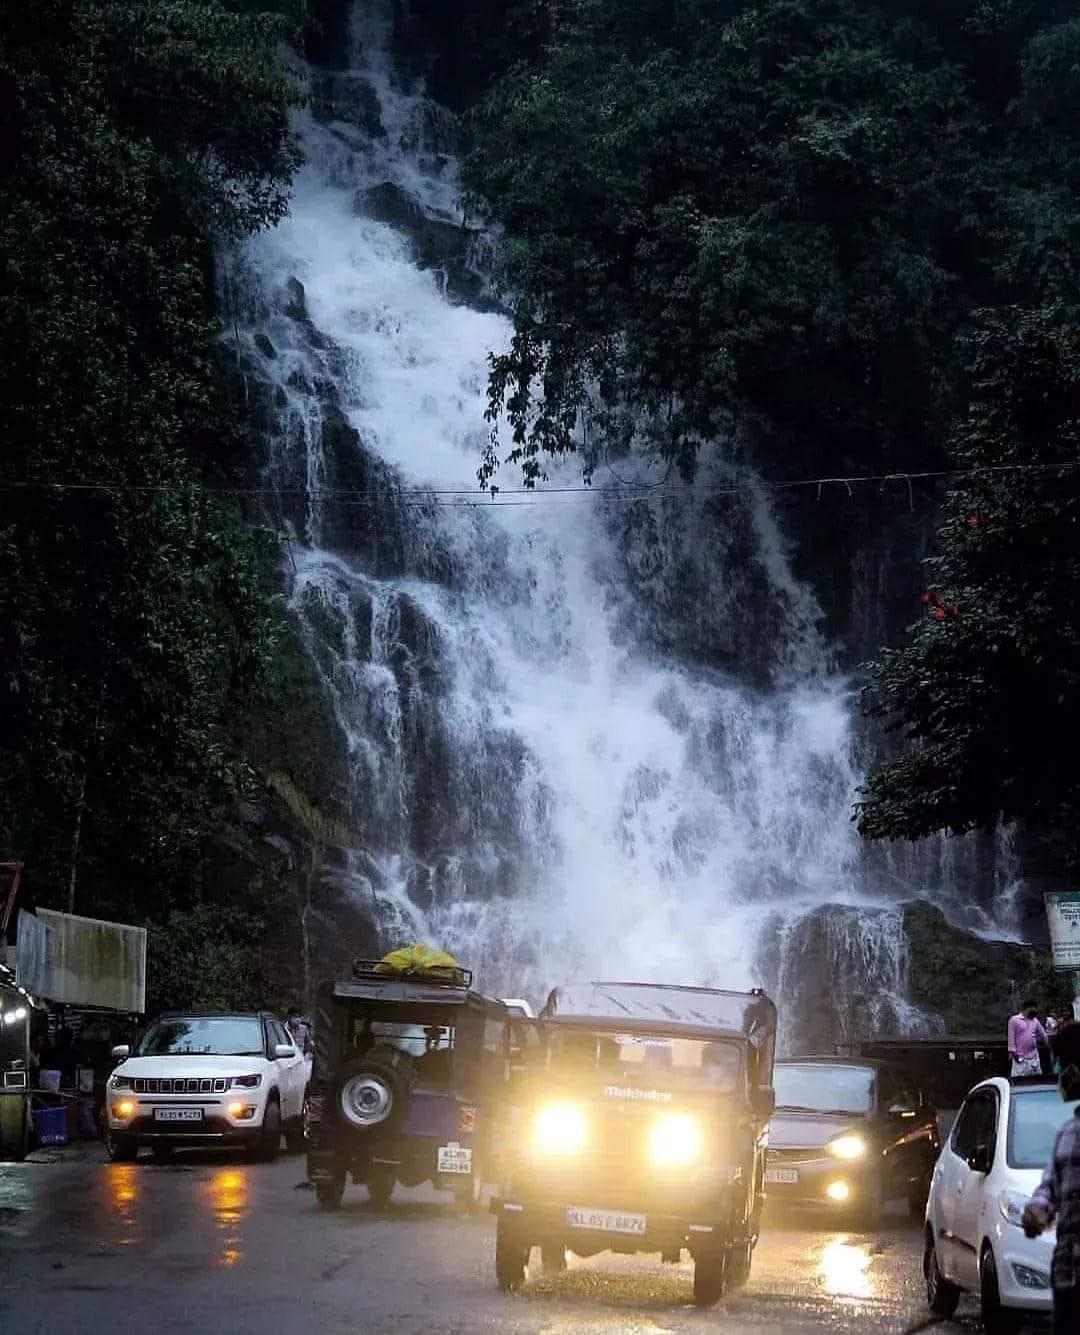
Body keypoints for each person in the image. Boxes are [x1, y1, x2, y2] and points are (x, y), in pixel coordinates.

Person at [1021, 1021, 1080, 1334]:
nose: (1058, 1072)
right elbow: (1050, 1187)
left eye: (1063, 1064)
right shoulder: (1067, 1134)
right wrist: (1037, 1210)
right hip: (1069, 1276)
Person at [1008, 1000, 1047, 1077]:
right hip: (1019, 1056)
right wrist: (1012, 1052)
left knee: (1036, 1078)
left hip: (1034, 1056)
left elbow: (1043, 1034)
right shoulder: (1014, 1020)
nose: (1035, 1011)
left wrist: (1046, 1042)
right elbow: (1011, 1037)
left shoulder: (1035, 1020)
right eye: (1034, 1009)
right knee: (1019, 1079)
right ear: (1027, 1008)